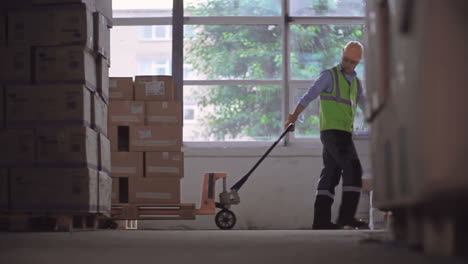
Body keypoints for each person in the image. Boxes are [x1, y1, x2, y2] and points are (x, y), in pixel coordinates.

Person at [285, 41, 368, 230]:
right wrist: (293, 117)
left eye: (353, 62)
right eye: (345, 59)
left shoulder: (356, 83)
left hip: (345, 133)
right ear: (342, 54)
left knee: (331, 174)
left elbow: (367, 106)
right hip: (332, 132)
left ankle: (320, 221)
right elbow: (309, 95)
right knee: (353, 170)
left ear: (358, 62)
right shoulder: (329, 76)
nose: (348, 64)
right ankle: (346, 218)